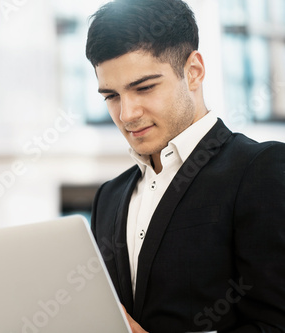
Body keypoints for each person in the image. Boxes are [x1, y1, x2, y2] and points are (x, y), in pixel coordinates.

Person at [85, 0, 285, 332]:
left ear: (193, 72)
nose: (127, 114)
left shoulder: (260, 169)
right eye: (111, 96)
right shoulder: (110, 197)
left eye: (144, 87)